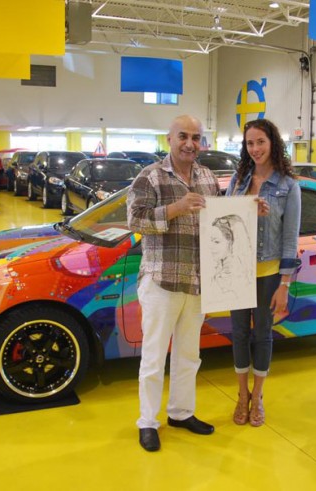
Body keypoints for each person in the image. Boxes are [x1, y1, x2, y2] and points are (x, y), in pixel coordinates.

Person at [127, 115, 221, 452]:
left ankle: (181, 413)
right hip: (161, 282)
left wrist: (250, 210)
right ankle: (147, 422)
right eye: (183, 136)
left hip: (196, 283)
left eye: (196, 137)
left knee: (189, 356)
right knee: (154, 357)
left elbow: (218, 222)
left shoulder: (208, 177)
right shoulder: (149, 176)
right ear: (169, 138)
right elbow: (134, 220)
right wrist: (174, 209)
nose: (190, 143)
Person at [226, 118, 301, 427]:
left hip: (269, 273)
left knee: (262, 334)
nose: (255, 149)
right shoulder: (238, 180)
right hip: (238, 270)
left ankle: (257, 396)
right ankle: (242, 394)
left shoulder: (288, 186)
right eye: (250, 143)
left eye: (261, 142)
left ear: (273, 144)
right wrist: (246, 208)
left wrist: (285, 284)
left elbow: (290, 238)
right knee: (239, 333)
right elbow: (224, 220)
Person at [209, 214, 254, 299]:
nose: (210, 246)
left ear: (232, 243)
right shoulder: (217, 274)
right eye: (210, 241)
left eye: (216, 241)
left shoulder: (238, 280)